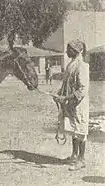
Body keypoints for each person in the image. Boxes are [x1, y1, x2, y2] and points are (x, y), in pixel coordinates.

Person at [54, 39, 89, 171]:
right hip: (71, 104)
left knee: (80, 131)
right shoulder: (71, 65)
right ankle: (74, 156)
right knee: (74, 130)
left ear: (75, 51)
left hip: (79, 104)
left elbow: (82, 90)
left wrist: (66, 97)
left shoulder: (82, 66)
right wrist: (58, 95)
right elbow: (66, 85)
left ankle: (81, 159)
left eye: (69, 49)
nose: (66, 51)